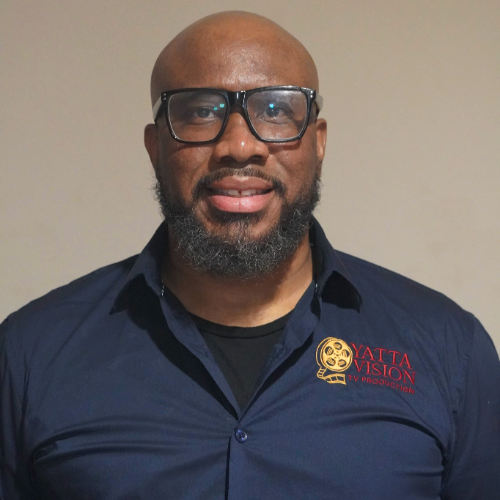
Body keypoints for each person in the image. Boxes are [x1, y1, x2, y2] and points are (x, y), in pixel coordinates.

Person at [1, 11, 499, 500]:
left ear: (318, 143)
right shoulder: (29, 357)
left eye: (276, 110)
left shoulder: (449, 352)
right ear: (155, 148)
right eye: (201, 111)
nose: (239, 145)